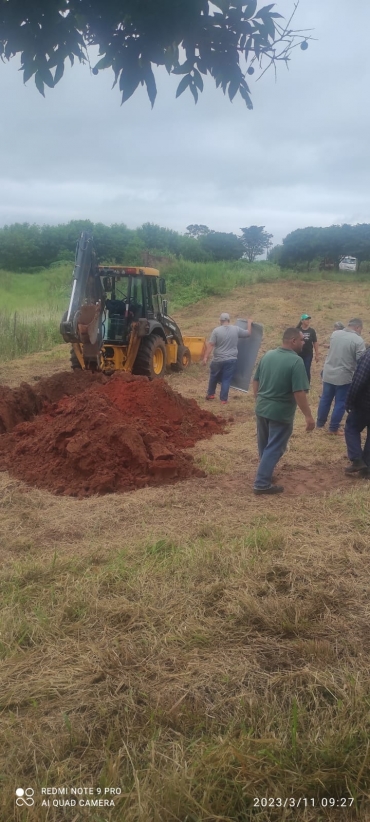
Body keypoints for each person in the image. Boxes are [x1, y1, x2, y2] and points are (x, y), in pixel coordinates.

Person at [252, 327, 315, 495]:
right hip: (280, 412)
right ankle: (262, 483)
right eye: (302, 340)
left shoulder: (268, 355)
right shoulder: (296, 361)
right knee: (275, 447)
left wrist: (258, 399)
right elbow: (299, 392)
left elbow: (255, 380)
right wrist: (308, 416)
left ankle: (264, 474)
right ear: (293, 341)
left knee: (265, 446)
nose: (304, 342)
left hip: (262, 408)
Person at [316, 318, 366, 435]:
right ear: (358, 327)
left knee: (325, 398)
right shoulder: (358, 340)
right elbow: (361, 360)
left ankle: (320, 423)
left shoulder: (335, 334)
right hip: (344, 376)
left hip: (328, 373)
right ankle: (333, 428)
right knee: (340, 402)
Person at [202, 313, 252, 403]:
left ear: (220, 321)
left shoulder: (216, 331)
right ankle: (223, 400)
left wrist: (205, 357)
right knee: (226, 379)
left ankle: (211, 394)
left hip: (218, 359)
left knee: (213, 377)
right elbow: (248, 333)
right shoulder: (236, 329)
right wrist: (249, 323)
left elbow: (211, 345)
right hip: (231, 360)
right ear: (229, 320)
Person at [344, 347, 370, 478]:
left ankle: (357, 460)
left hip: (365, 404)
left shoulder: (368, 356)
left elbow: (359, 379)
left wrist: (350, 400)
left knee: (351, 428)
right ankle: (367, 468)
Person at [296, 313, 319, 382]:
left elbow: (315, 342)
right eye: (306, 319)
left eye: (308, 319)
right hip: (298, 354)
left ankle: (306, 385)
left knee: (306, 369)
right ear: (302, 321)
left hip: (308, 354)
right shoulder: (297, 330)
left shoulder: (312, 331)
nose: (308, 321)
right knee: (297, 369)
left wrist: (317, 354)